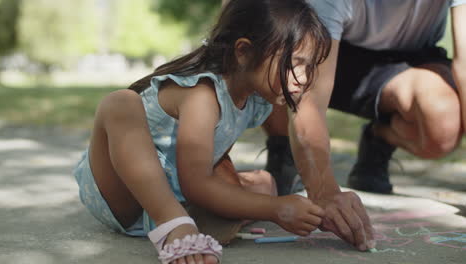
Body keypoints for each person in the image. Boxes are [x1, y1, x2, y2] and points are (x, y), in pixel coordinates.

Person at [73, 0, 375, 263]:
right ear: (244, 52)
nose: (303, 79)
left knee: (263, 185)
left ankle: (184, 218)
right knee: (121, 103)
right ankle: (172, 223)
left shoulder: (255, 101)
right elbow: (196, 183)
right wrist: (275, 210)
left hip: (173, 186)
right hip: (122, 190)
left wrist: (311, 212)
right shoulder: (204, 95)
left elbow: (210, 159)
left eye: (309, 67)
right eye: (294, 64)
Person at [263, 0, 466, 195]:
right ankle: (284, 151)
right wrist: (324, 191)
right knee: (275, 49)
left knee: (442, 127)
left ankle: (379, 138)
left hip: (409, 60)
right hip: (333, 51)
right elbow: (310, 101)